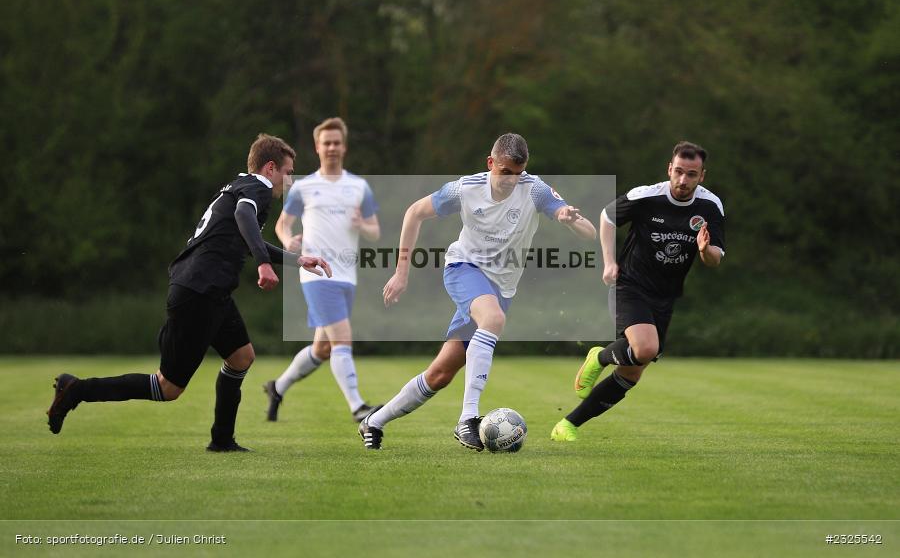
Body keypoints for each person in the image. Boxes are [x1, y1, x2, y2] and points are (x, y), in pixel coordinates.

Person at [46, 134, 331, 451]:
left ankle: (222, 440)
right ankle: (75, 390)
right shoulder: (258, 189)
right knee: (167, 387)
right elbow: (244, 217)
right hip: (199, 291)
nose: (288, 181)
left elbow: (245, 234)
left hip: (210, 290)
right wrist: (264, 265)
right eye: (287, 172)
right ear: (269, 168)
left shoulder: (239, 186)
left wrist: (296, 260)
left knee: (241, 357)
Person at [358, 132, 597, 450]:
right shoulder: (465, 189)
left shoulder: (535, 189)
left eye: (517, 173)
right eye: (504, 172)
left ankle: (373, 422)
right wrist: (401, 272)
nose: (511, 180)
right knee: (493, 318)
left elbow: (589, 233)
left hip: (502, 287)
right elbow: (414, 213)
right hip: (464, 269)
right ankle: (467, 419)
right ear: (490, 164)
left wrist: (569, 220)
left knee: (440, 374)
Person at [551, 141, 725, 441]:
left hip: (665, 296)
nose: (683, 181)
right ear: (669, 169)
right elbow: (607, 218)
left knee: (632, 373)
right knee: (645, 349)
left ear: (702, 176)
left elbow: (715, 258)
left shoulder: (710, 206)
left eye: (692, 175)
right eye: (679, 172)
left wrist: (704, 250)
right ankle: (601, 358)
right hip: (630, 285)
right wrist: (608, 262)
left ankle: (567, 425)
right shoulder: (646, 197)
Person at [262, 118, 380, 423]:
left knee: (323, 348)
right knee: (342, 338)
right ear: (317, 147)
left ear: (344, 146)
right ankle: (358, 408)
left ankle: (277, 387)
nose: (331, 147)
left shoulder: (358, 186)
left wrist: (361, 225)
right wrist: (289, 241)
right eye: (326, 142)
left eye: (336, 142)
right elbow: (282, 225)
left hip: (347, 276)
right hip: (317, 275)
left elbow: (375, 231)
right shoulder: (304, 187)